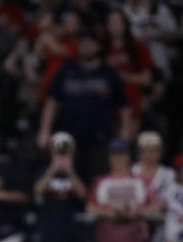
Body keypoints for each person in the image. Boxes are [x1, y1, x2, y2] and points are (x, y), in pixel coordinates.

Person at [37, 30, 131, 183]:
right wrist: (45, 130)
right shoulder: (66, 70)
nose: (86, 47)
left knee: (97, 179)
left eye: (90, 43)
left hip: (100, 137)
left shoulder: (108, 73)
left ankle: (94, 207)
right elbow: (52, 102)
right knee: (67, 179)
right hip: (68, 136)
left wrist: (125, 131)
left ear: (98, 47)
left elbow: (123, 105)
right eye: (82, 43)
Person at [87, 139, 156, 242]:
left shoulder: (140, 181)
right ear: (109, 158)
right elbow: (90, 207)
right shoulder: (101, 182)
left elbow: (156, 205)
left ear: (128, 157)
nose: (118, 159)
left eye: (122, 155)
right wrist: (109, 213)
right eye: (115, 155)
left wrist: (135, 212)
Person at [31, 132, 88, 242]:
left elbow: (83, 194)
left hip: (71, 232)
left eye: (65, 151)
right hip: (47, 231)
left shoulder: (79, 171)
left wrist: (70, 171)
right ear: (51, 152)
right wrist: (53, 169)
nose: (61, 154)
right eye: (58, 151)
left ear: (72, 152)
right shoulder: (42, 171)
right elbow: (37, 191)